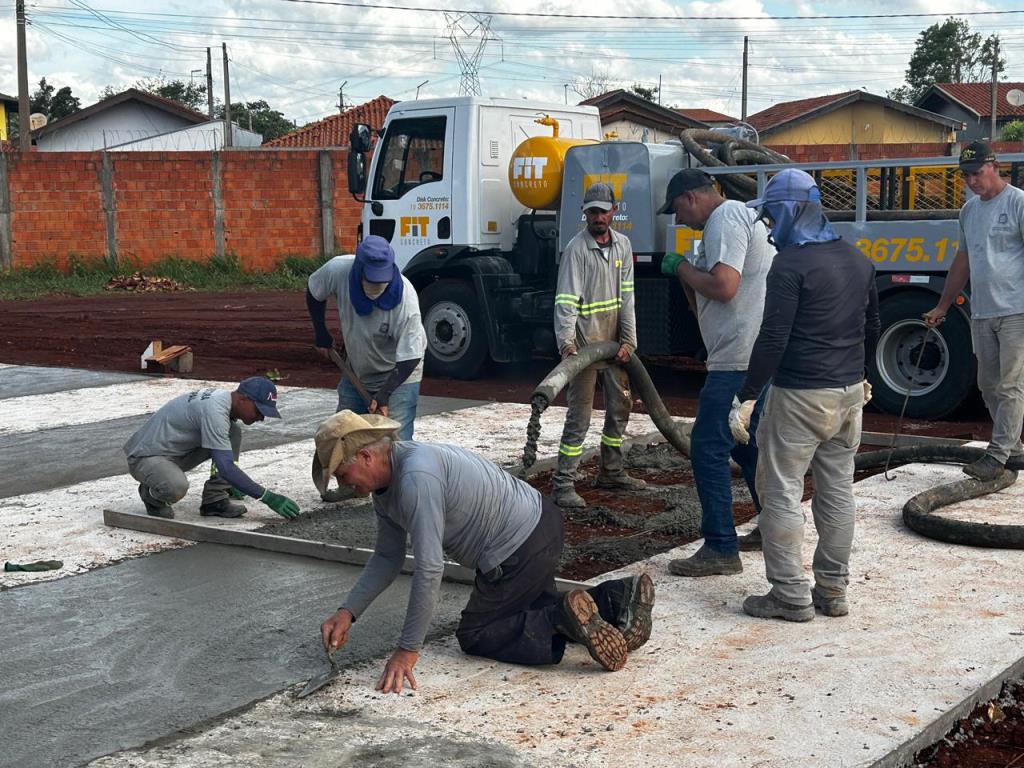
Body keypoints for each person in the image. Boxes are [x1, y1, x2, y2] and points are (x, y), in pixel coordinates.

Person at [317, 410, 655, 692]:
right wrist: (348, 612)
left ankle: (560, 617)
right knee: (524, 610)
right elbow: (388, 557)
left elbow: (430, 568)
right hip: (539, 527)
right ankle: (615, 599)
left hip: (518, 547)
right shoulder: (385, 489)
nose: (342, 485)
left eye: (342, 474)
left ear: (366, 456)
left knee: (477, 634)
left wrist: (407, 650)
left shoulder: (416, 477)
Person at [731, 169, 879, 622]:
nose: (771, 227)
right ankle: (833, 590)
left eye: (773, 216)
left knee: (779, 491)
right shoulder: (858, 260)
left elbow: (773, 339)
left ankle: (789, 595)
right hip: (849, 394)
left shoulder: (790, 266)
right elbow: (872, 327)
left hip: (800, 396)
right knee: (836, 492)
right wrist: (855, 374)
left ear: (793, 211)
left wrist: (745, 394)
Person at [657, 169, 775, 577]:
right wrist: (691, 276)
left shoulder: (725, 219)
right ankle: (772, 526)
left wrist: (681, 269)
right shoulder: (741, 218)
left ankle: (721, 548)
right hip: (749, 355)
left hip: (737, 360)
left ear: (691, 197)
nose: (679, 220)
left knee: (708, 447)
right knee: (746, 445)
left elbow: (724, 286)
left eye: (677, 210)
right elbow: (711, 301)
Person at [925, 141, 1024, 481]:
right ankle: (1014, 448)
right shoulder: (969, 211)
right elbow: (963, 261)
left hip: (1016, 310)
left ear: (995, 166)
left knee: (1011, 385)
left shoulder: (1018, 203)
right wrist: (942, 305)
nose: (971, 181)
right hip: (983, 311)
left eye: (977, 173)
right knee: (988, 384)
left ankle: (997, 455)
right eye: (966, 175)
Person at [552, 182, 645, 509]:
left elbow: (627, 298)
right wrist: (567, 345)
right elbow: (565, 302)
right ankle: (563, 482)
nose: (598, 217)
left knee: (621, 407)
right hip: (584, 349)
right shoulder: (577, 250)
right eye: (592, 211)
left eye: (603, 211)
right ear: (585, 213)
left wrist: (629, 340)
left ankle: (611, 470)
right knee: (580, 417)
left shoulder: (623, 247)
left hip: (614, 346)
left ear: (613, 211)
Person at [123, 376, 300, 520]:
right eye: (259, 411)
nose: (261, 418)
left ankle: (214, 500)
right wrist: (267, 497)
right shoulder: (215, 411)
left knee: (233, 431)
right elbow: (226, 467)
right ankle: (151, 496)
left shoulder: (223, 402)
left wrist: (231, 480)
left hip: (175, 453)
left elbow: (226, 463)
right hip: (145, 457)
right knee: (175, 487)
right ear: (243, 399)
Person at [307, 235, 426, 441]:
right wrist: (321, 333)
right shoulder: (338, 270)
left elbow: (411, 355)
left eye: (382, 280)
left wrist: (384, 395)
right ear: (358, 269)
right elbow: (314, 291)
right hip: (356, 371)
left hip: (399, 376)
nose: (377, 286)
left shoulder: (406, 300)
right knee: (344, 438)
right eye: (371, 279)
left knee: (395, 444)